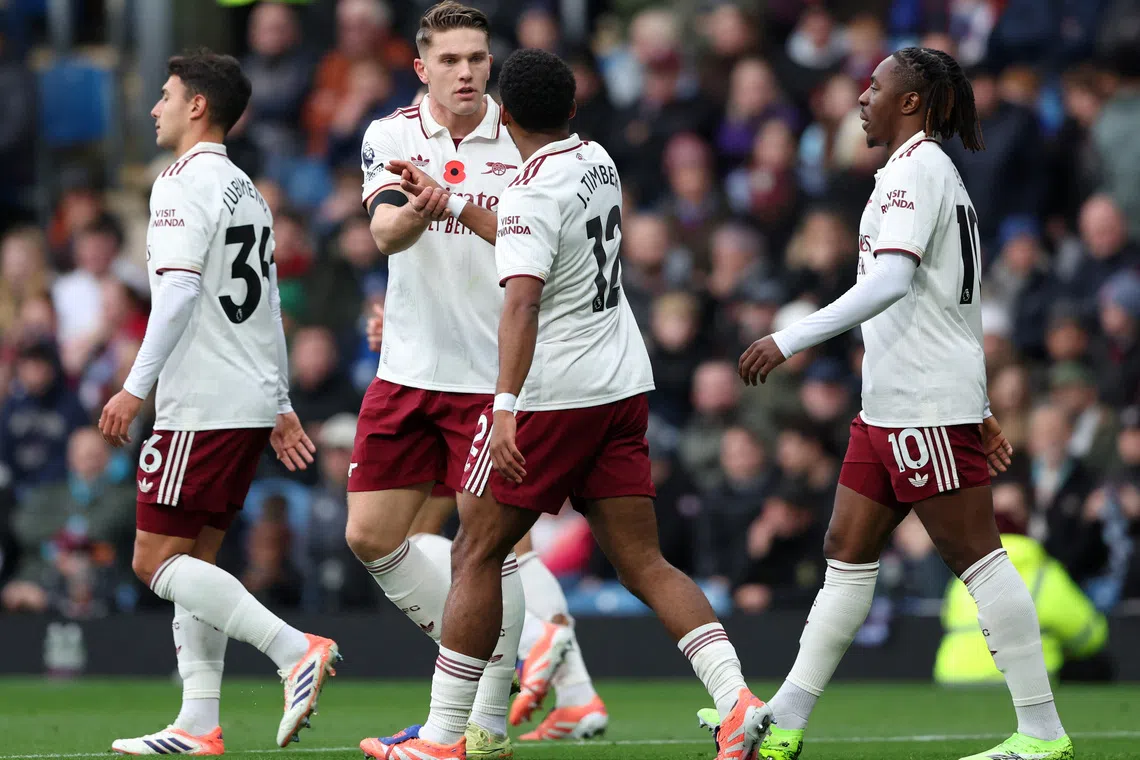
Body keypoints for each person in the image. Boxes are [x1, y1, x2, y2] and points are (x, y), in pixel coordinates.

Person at [364, 48, 772, 760]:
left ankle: (442, 738)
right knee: (644, 561)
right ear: (572, 110)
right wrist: (453, 200)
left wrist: (505, 404)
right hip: (620, 385)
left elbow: (521, 301)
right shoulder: (597, 160)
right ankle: (737, 699)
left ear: (506, 114)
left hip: (558, 395)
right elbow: (531, 229)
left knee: (476, 553)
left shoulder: (528, 190)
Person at [729, 47, 1072, 760]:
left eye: (875, 86)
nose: (862, 97)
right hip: (892, 404)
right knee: (845, 551)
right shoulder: (911, 172)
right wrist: (977, 403)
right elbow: (957, 305)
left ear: (911, 102)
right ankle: (785, 721)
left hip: (920, 403)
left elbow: (892, 284)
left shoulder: (918, 171)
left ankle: (1042, 733)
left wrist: (788, 338)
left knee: (976, 557)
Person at [351, 3, 600, 756]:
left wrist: (451, 198)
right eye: (451, 60)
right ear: (421, 67)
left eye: (478, 59)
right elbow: (386, 230)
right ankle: (513, 652)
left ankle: (477, 727)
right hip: (408, 369)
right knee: (371, 537)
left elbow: (543, 245)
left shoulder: (526, 137)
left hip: (492, 377)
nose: (466, 72)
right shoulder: (389, 135)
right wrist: (426, 206)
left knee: (486, 547)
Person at [98, 50, 339, 755]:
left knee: (151, 563)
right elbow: (266, 312)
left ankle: (294, 649)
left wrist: (134, 386)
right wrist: (279, 399)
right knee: (193, 559)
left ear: (197, 106)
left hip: (198, 403)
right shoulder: (246, 190)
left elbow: (174, 292)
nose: (156, 108)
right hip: (241, 400)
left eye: (166, 95)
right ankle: (198, 722)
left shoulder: (178, 182)